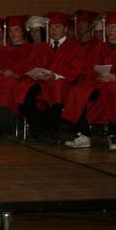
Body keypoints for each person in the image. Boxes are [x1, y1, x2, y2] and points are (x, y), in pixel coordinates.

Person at [63, 12, 116, 151]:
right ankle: (83, 134)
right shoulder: (98, 47)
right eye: (108, 26)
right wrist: (98, 76)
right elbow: (87, 69)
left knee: (115, 90)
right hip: (99, 82)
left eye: (114, 26)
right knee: (77, 91)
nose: (110, 30)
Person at [14, 11, 86, 143]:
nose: (54, 30)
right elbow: (30, 64)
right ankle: (37, 128)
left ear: (65, 29)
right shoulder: (41, 47)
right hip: (41, 81)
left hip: (62, 82)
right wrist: (35, 74)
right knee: (23, 89)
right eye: (51, 27)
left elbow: (76, 69)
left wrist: (55, 75)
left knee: (56, 89)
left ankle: (51, 130)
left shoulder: (74, 47)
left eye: (57, 27)